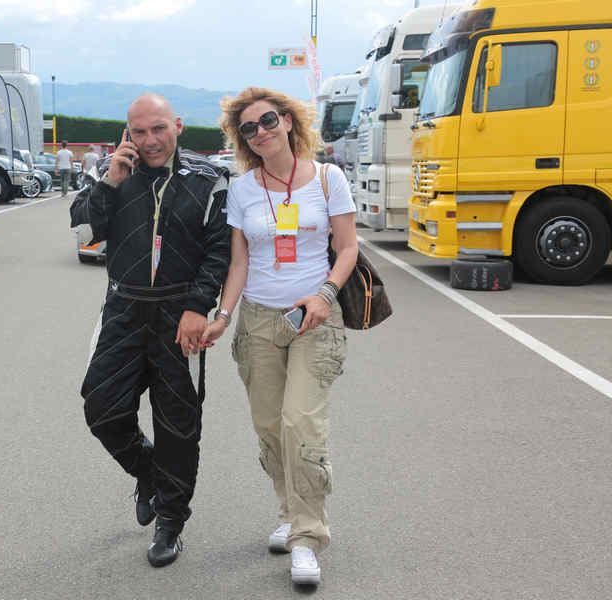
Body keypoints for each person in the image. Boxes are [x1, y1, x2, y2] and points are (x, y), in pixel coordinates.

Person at [201, 87, 358, 586]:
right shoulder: (242, 189)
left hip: (314, 317)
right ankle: (290, 512)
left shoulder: (329, 178)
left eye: (268, 120)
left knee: (300, 424)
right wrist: (223, 315)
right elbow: (240, 262)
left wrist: (325, 295)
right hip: (259, 321)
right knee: (270, 428)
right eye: (248, 128)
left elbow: (348, 248)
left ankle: (307, 538)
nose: (260, 132)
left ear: (288, 121)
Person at [69, 94, 230, 568]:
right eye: (138, 132)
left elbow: (220, 249)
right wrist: (110, 182)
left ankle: (171, 520)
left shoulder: (208, 178)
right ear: (127, 133)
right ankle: (150, 473)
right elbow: (84, 233)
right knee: (102, 408)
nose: (150, 141)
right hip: (123, 308)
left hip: (180, 314)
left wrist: (199, 306)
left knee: (178, 424)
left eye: (158, 129)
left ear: (177, 125)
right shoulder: (112, 173)